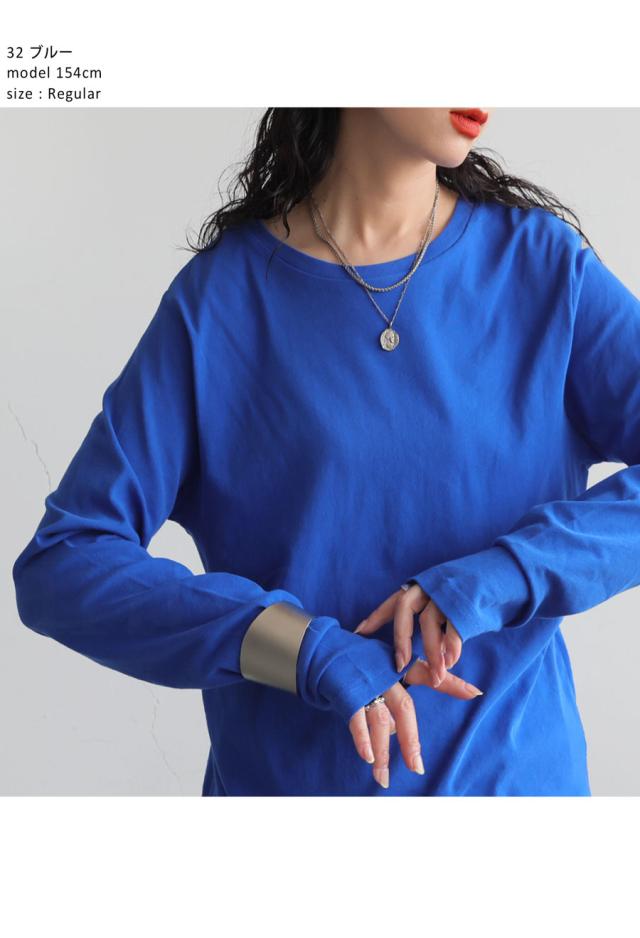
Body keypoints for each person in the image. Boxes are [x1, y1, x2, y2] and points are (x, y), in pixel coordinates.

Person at [12, 107, 640, 796]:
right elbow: (64, 562)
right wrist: (299, 647)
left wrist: (506, 573)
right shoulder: (221, 303)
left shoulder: (541, 270)